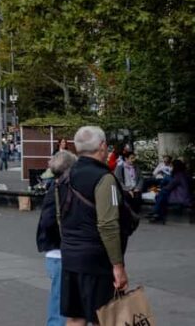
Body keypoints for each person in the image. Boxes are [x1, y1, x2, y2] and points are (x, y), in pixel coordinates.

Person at [57, 126, 130, 325]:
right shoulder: (105, 178)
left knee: (76, 317)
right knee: (104, 317)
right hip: (96, 259)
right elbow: (108, 224)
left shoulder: (65, 176)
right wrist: (118, 265)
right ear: (102, 146)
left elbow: (59, 217)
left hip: (71, 256)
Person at [36, 149, 77, 326]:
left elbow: (45, 221)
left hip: (57, 252)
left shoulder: (56, 187)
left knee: (62, 302)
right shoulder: (61, 189)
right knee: (61, 303)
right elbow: (48, 221)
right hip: (60, 252)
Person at [148, 159, 191, 224]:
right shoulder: (183, 174)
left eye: (172, 166)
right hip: (184, 196)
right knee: (161, 195)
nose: (171, 168)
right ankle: (157, 214)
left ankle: (157, 213)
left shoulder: (178, 175)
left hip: (180, 198)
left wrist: (158, 190)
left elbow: (169, 187)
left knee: (161, 195)